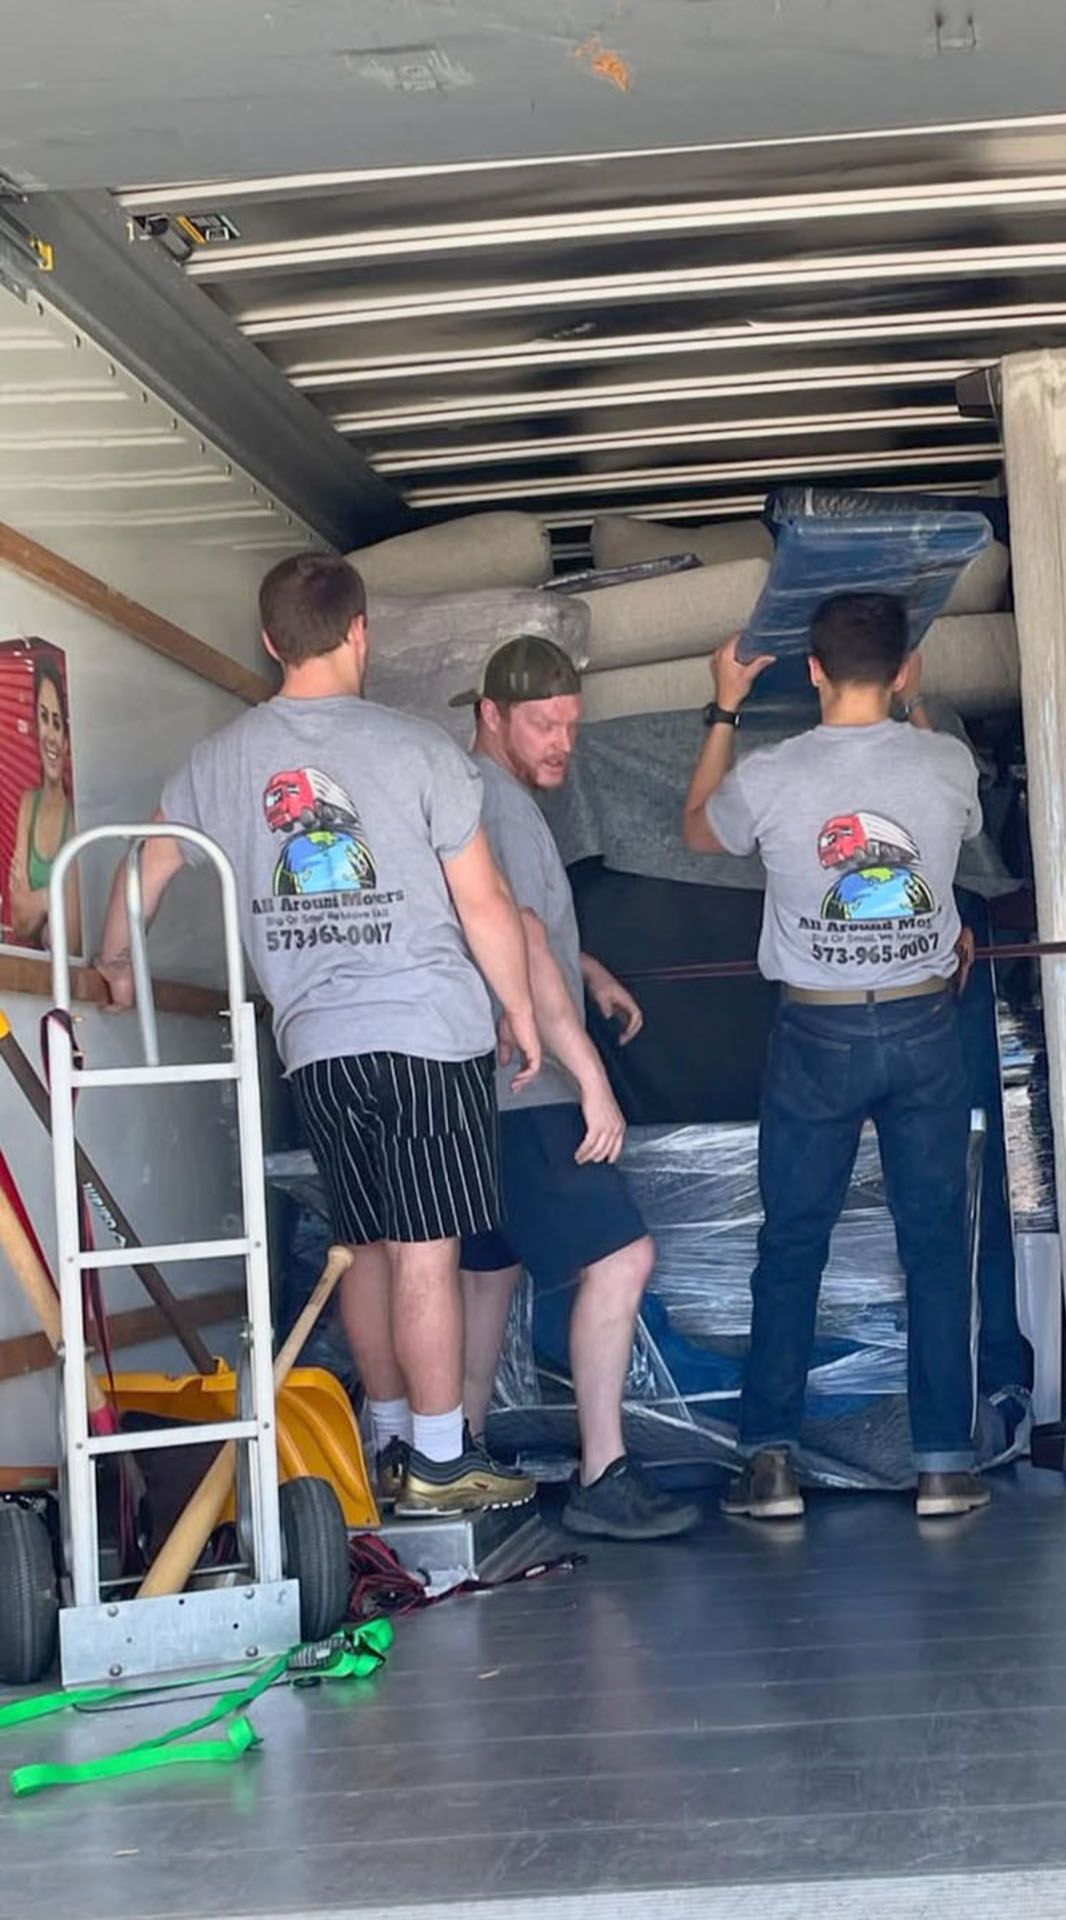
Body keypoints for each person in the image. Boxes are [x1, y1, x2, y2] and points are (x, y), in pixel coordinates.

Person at [97, 552, 543, 1517]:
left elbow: (148, 864)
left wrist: (116, 960)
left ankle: (384, 1444)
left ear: (268, 642)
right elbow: (487, 903)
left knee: (368, 1248)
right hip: (426, 1033)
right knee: (428, 1250)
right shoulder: (418, 749)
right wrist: (519, 1009)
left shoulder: (219, 760)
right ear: (360, 632)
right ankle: (436, 1460)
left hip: (317, 1043)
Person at [683, 593, 991, 1522]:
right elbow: (961, 824)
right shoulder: (944, 763)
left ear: (811, 670)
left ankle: (769, 1466)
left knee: (791, 1246)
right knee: (935, 1249)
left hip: (815, 1033)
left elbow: (700, 827)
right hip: (923, 1029)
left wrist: (725, 707)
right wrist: (923, 712)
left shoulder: (771, 776)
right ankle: (943, 1465)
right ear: (903, 673)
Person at [452, 632, 700, 1540]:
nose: (561, 740)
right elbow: (511, 928)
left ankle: (459, 1458)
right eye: (541, 723)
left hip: (475, 1079)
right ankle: (603, 1472)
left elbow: (502, 925)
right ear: (490, 716)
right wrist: (590, 1076)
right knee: (622, 1257)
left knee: (486, 1272)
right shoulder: (498, 806)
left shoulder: (482, 798)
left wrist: (583, 964)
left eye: (569, 725)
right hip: (525, 1081)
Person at [8, 653, 80, 954]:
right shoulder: (28, 804)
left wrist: (33, 899)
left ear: (67, 738)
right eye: (43, 718)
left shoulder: (79, 817)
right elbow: (20, 922)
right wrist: (54, 897)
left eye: (57, 722)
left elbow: (71, 939)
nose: (50, 736)